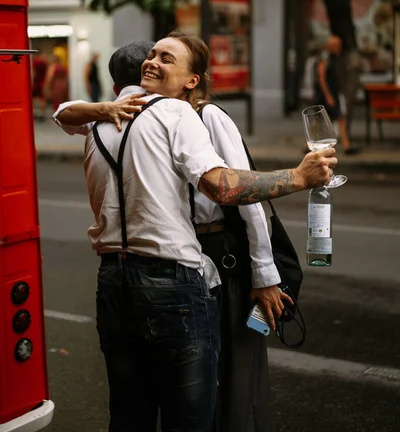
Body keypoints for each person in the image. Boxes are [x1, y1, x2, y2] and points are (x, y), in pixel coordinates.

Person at [53, 37, 337, 432]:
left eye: (165, 58)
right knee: (189, 417)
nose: (154, 62)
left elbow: (62, 112)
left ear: (192, 79)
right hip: (172, 282)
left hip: (113, 280)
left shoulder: (102, 122)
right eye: (152, 56)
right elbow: (224, 187)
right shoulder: (171, 113)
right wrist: (299, 177)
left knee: (129, 412)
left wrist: (103, 107)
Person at [314, 35, 359, 155]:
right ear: (330, 45)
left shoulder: (335, 57)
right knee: (325, 119)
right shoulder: (325, 57)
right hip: (326, 94)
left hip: (334, 93)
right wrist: (328, 95)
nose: (338, 48)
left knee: (336, 119)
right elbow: (321, 78)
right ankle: (346, 146)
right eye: (336, 45)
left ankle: (346, 145)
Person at [32, 51, 48, 120]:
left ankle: (33, 112)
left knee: (33, 98)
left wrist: (32, 81)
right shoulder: (44, 62)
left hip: (36, 83)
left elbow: (34, 73)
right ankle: (42, 113)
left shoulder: (35, 62)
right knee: (42, 99)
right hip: (43, 82)